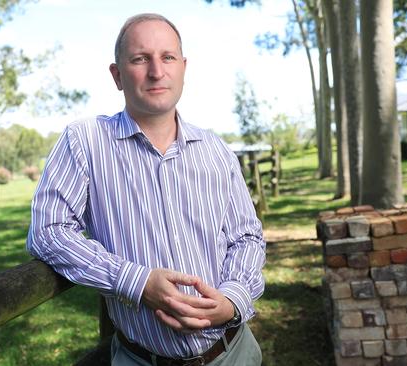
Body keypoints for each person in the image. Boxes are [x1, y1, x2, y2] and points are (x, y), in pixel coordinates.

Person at [27, 13, 266, 366]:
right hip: (142, 359)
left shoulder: (216, 149)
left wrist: (231, 300)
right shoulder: (85, 142)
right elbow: (48, 233)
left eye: (167, 57)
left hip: (234, 354)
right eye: (140, 59)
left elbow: (247, 237)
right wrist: (137, 284)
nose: (157, 71)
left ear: (183, 67)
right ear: (117, 75)